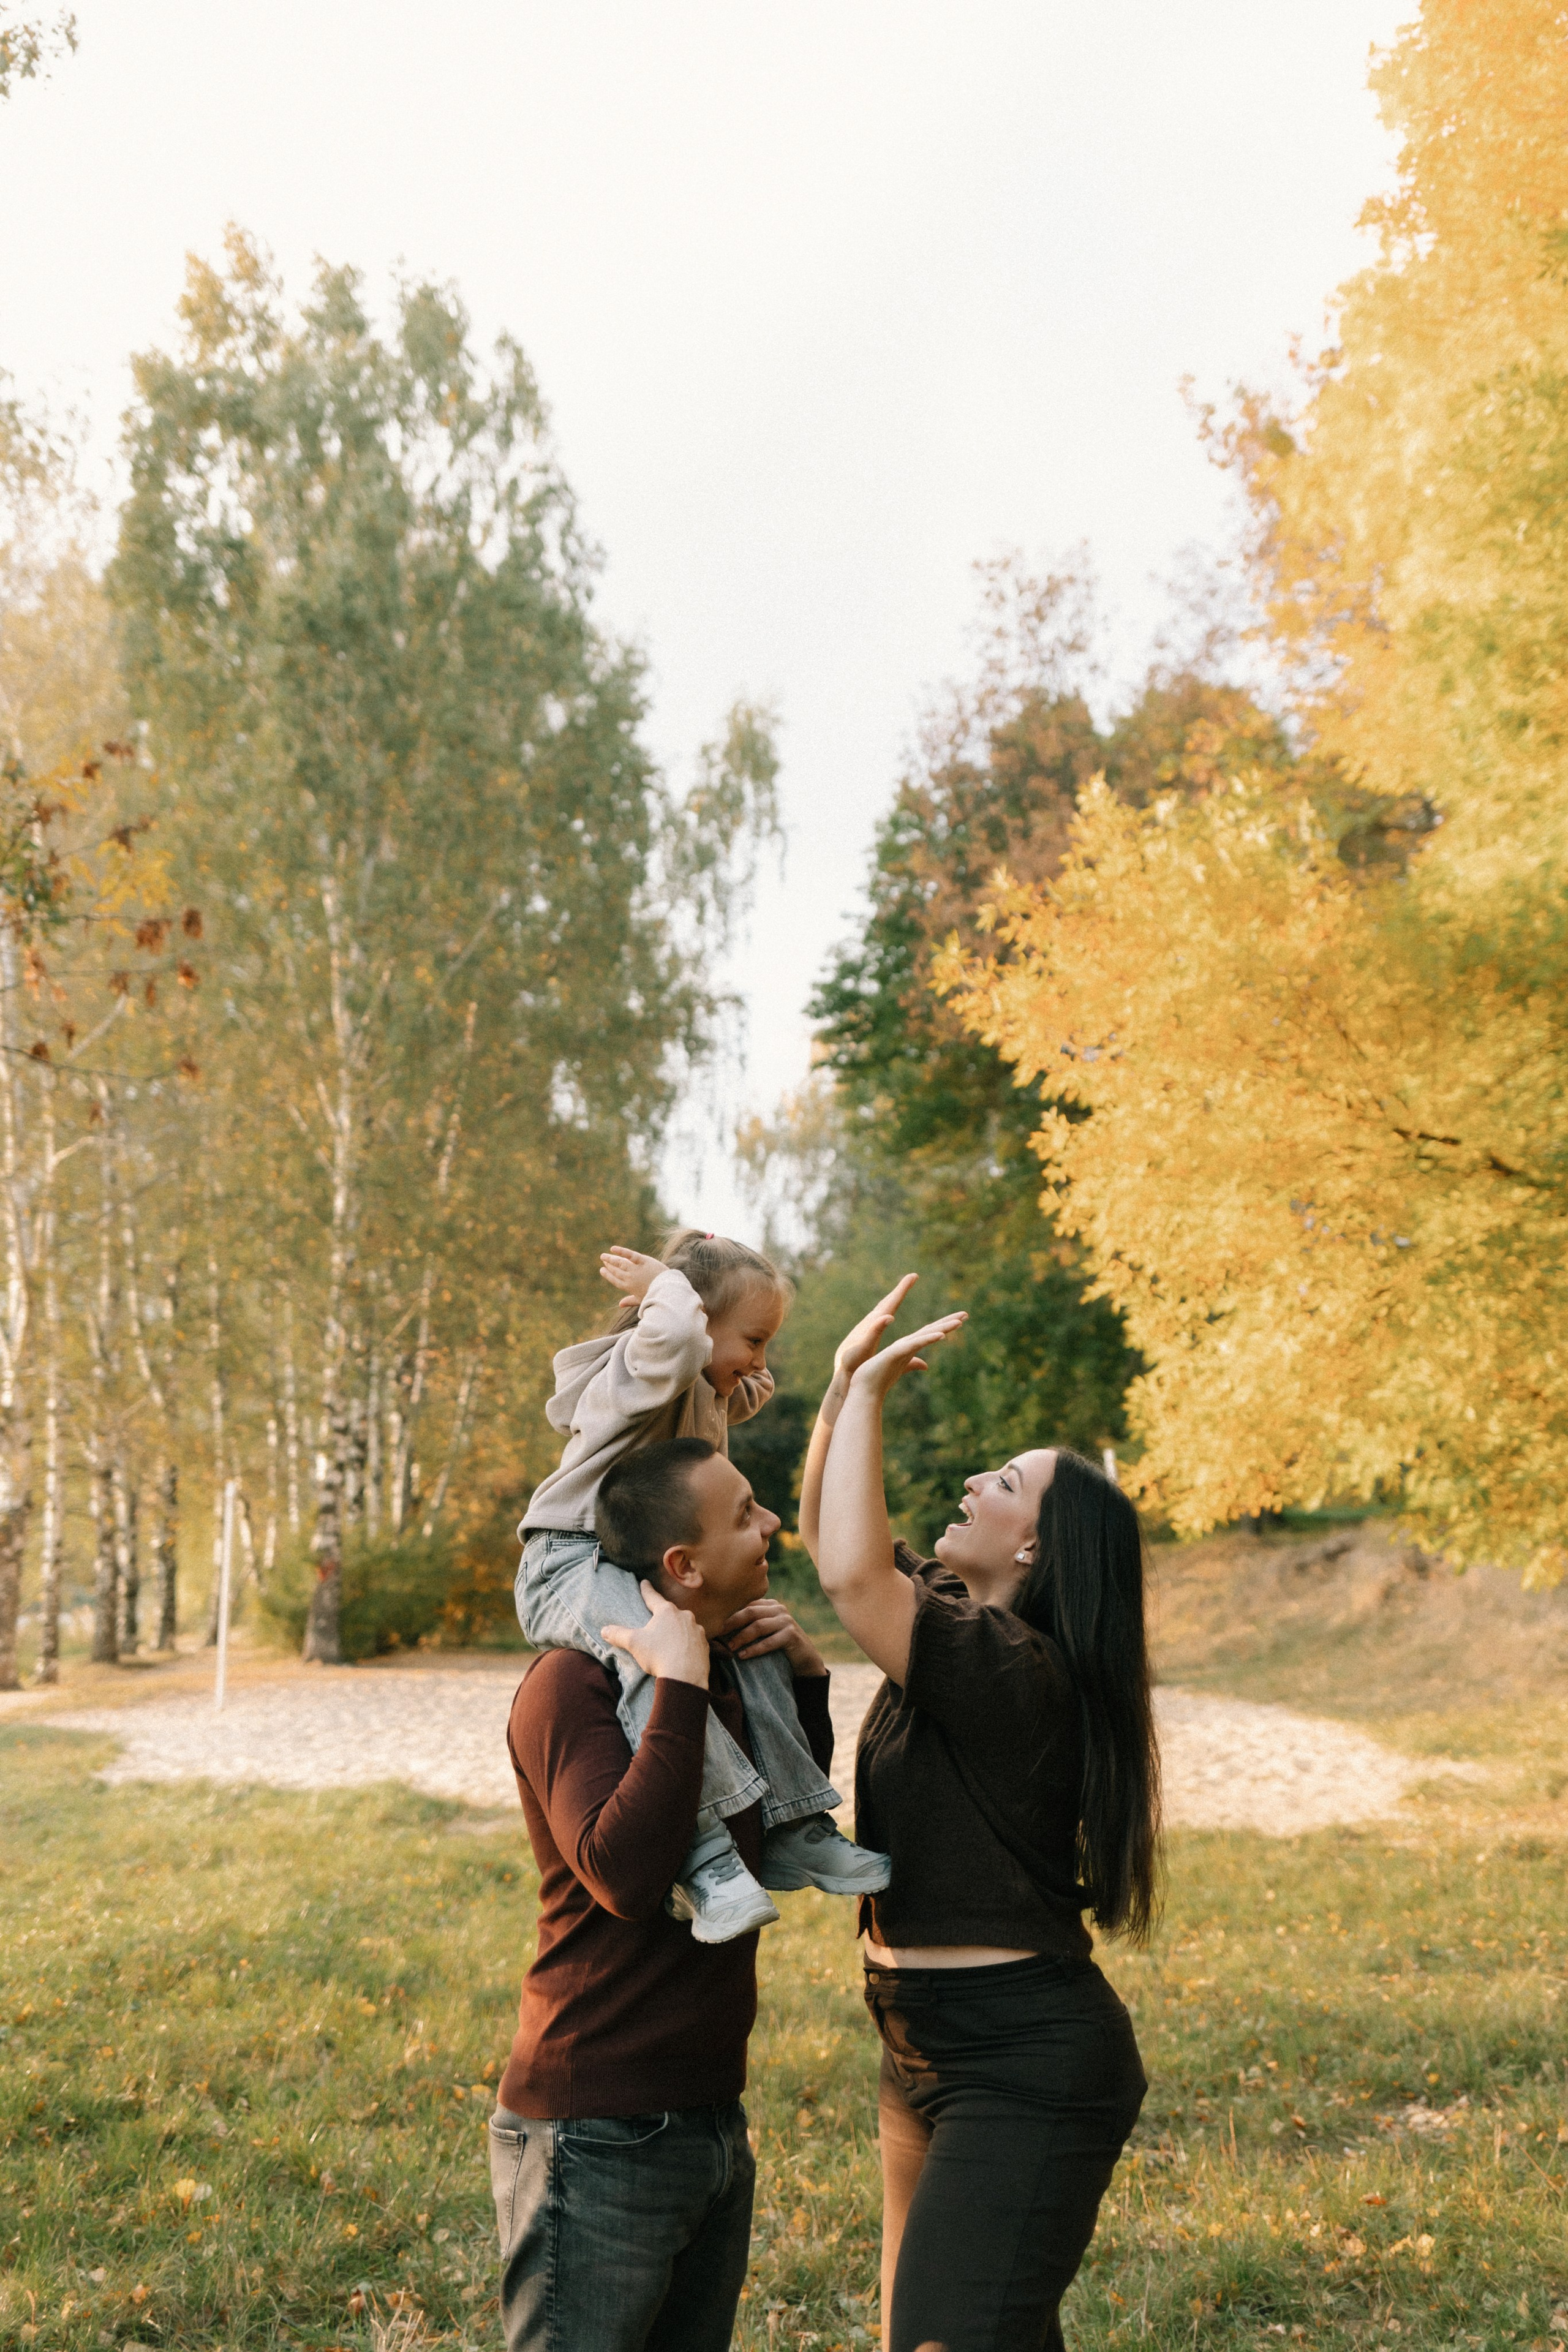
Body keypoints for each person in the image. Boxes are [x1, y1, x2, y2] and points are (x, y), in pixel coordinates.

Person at [799, 1276, 1163, 2352]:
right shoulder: (957, 1625)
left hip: (1022, 2058)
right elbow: (831, 1540)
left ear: (1036, 1549)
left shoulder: (1018, 1670)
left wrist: (872, 1393)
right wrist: (838, 1393)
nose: (971, 1481)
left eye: (1002, 1481)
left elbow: (852, 1579)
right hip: (919, 2037)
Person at [491, 1436, 835, 2351]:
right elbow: (626, 1876)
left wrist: (803, 1685)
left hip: (710, 2115)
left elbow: (763, 1835)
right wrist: (679, 1687)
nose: (771, 1525)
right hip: (594, 2127)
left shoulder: (726, 1671)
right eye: (746, 1514)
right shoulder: (569, 1685)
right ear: (683, 1566)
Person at [516, 1229, 889, 1942]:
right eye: (754, 1339)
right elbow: (682, 1341)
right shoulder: (638, 1373)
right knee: (652, 1661)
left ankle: (793, 1825)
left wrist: (839, 1377)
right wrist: (665, 1286)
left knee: (754, 1638)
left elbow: (746, 1381)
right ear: (690, 1316)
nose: (759, 1361)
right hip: (569, 1561)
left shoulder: (701, 1393)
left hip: (634, 1561)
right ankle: (708, 1859)